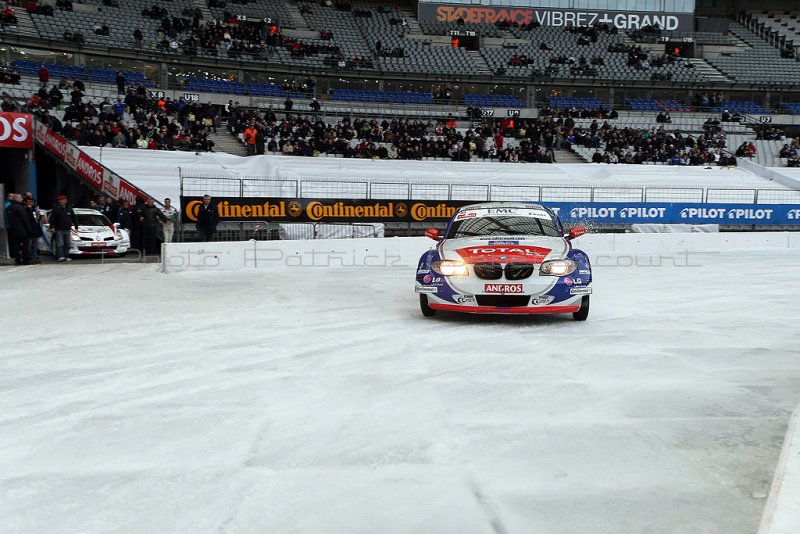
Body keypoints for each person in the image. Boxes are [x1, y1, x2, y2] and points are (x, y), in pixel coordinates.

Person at [6, 193, 35, 264]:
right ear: (17, 199)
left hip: (13, 230)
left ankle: (18, 260)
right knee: (25, 246)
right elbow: (25, 219)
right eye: (21, 198)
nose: (22, 199)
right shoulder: (19, 207)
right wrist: (29, 230)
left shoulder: (9, 208)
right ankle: (26, 260)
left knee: (16, 246)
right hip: (23, 230)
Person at [49, 195, 77, 261]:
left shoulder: (70, 208)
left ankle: (66, 256)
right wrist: (52, 227)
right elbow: (51, 218)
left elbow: (73, 218)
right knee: (60, 244)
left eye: (61, 200)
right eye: (59, 200)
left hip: (67, 229)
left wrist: (76, 226)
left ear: (65, 200)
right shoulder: (56, 208)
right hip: (59, 229)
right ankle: (60, 256)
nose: (59, 201)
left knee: (67, 244)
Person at [25, 196, 44, 263]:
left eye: (32, 202)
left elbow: (37, 220)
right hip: (29, 230)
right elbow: (28, 219)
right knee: (29, 245)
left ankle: (34, 257)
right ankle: (29, 258)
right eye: (29, 202)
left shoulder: (34, 210)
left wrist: (38, 215)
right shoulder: (26, 210)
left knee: (35, 245)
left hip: (35, 230)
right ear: (26, 202)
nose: (31, 203)